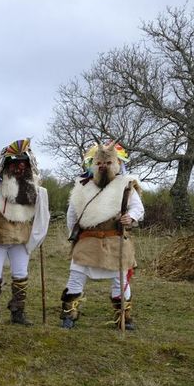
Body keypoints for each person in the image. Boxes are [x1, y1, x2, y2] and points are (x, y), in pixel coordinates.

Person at [60, 141, 143, 330]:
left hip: (115, 240)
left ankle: (124, 316)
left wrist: (130, 217)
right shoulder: (82, 186)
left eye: (108, 163)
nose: (103, 166)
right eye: (99, 163)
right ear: (93, 164)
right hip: (87, 240)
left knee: (119, 278)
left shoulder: (126, 185)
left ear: (117, 163)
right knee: (76, 276)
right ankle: (68, 314)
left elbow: (138, 208)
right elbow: (72, 215)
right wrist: (74, 234)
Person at [0, 139, 50, 325]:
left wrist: (39, 234)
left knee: (20, 274)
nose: (19, 168)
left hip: (22, 237)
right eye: (14, 164)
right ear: (6, 166)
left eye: (23, 164)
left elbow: (42, 215)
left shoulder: (36, 189)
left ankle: (17, 312)